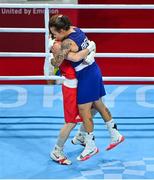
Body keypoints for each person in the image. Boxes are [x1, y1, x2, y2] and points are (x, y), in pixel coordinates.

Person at [49, 14, 125, 161]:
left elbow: (63, 61)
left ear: (63, 29)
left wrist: (53, 56)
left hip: (85, 76)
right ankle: (114, 134)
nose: (54, 35)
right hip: (94, 70)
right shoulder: (76, 29)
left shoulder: (66, 43)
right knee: (97, 105)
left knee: (85, 112)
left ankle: (91, 146)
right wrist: (90, 48)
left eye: (55, 33)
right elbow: (84, 48)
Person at [45, 36, 96, 165]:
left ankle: (81, 135)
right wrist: (90, 47)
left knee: (94, 107)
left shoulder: (67, 39)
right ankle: (57, 151)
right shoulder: (57, 46)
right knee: (71, 121)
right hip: (71, 86)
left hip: (82, 82)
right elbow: (77, 57)